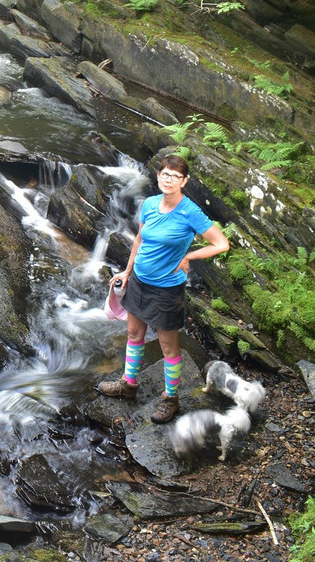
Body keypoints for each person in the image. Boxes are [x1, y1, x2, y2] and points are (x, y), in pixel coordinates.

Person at [97, 155, 230, 424]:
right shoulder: (149, 204)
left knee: (168, 347)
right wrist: (127, 270)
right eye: (165, 175)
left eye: (175, 176)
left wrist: (189, 257)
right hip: (140, 282)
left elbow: (221, 244)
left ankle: (170, 398)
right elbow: (139, 239)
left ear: (185, 181)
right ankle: (128, 384)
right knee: (134, 334)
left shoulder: (190, 211)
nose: (169, 180)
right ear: (158, 176)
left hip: (167, 290)